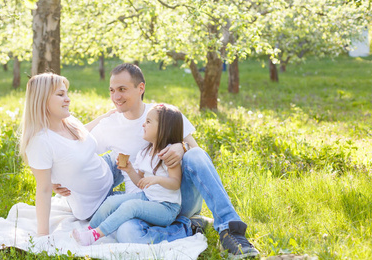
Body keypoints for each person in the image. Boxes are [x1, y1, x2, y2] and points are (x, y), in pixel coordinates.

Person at [54, 63, 259, 258]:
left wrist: (182, 146)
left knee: (195, 155)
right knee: (128, 235)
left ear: (140, 87)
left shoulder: (164, 113)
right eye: (111, 90)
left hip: (176, 197)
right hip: (141, 204)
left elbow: (197, 153)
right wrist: (55, 179)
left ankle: (230, 230)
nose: (116, 96)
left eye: (122, 89)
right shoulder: (109, 125)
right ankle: (189, 226)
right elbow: (75, 147)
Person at [18, 73, 115, 236]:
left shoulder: (67, 121)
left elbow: (78, 138)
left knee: (135, 152)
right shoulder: (40, 142)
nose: (68, 99)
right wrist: (43, 235)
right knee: (136, 205)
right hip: (96, 204)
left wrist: (106, 116)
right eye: (61, 94)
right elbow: (43, 190)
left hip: (107, 171)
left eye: (66, 94)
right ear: (42, 100)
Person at [72, 104, 184, 246]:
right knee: (111, 202)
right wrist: (130, 170)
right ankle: (89, 229)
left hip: (166, 207)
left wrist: (157, 179)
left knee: (131, 206)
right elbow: (140, 182)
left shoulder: (168, 154)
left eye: (148, 122)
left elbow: (175, 184)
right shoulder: (144, 153)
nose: (143, 124)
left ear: (164, 127)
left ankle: (95, 235)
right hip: (148, 198)